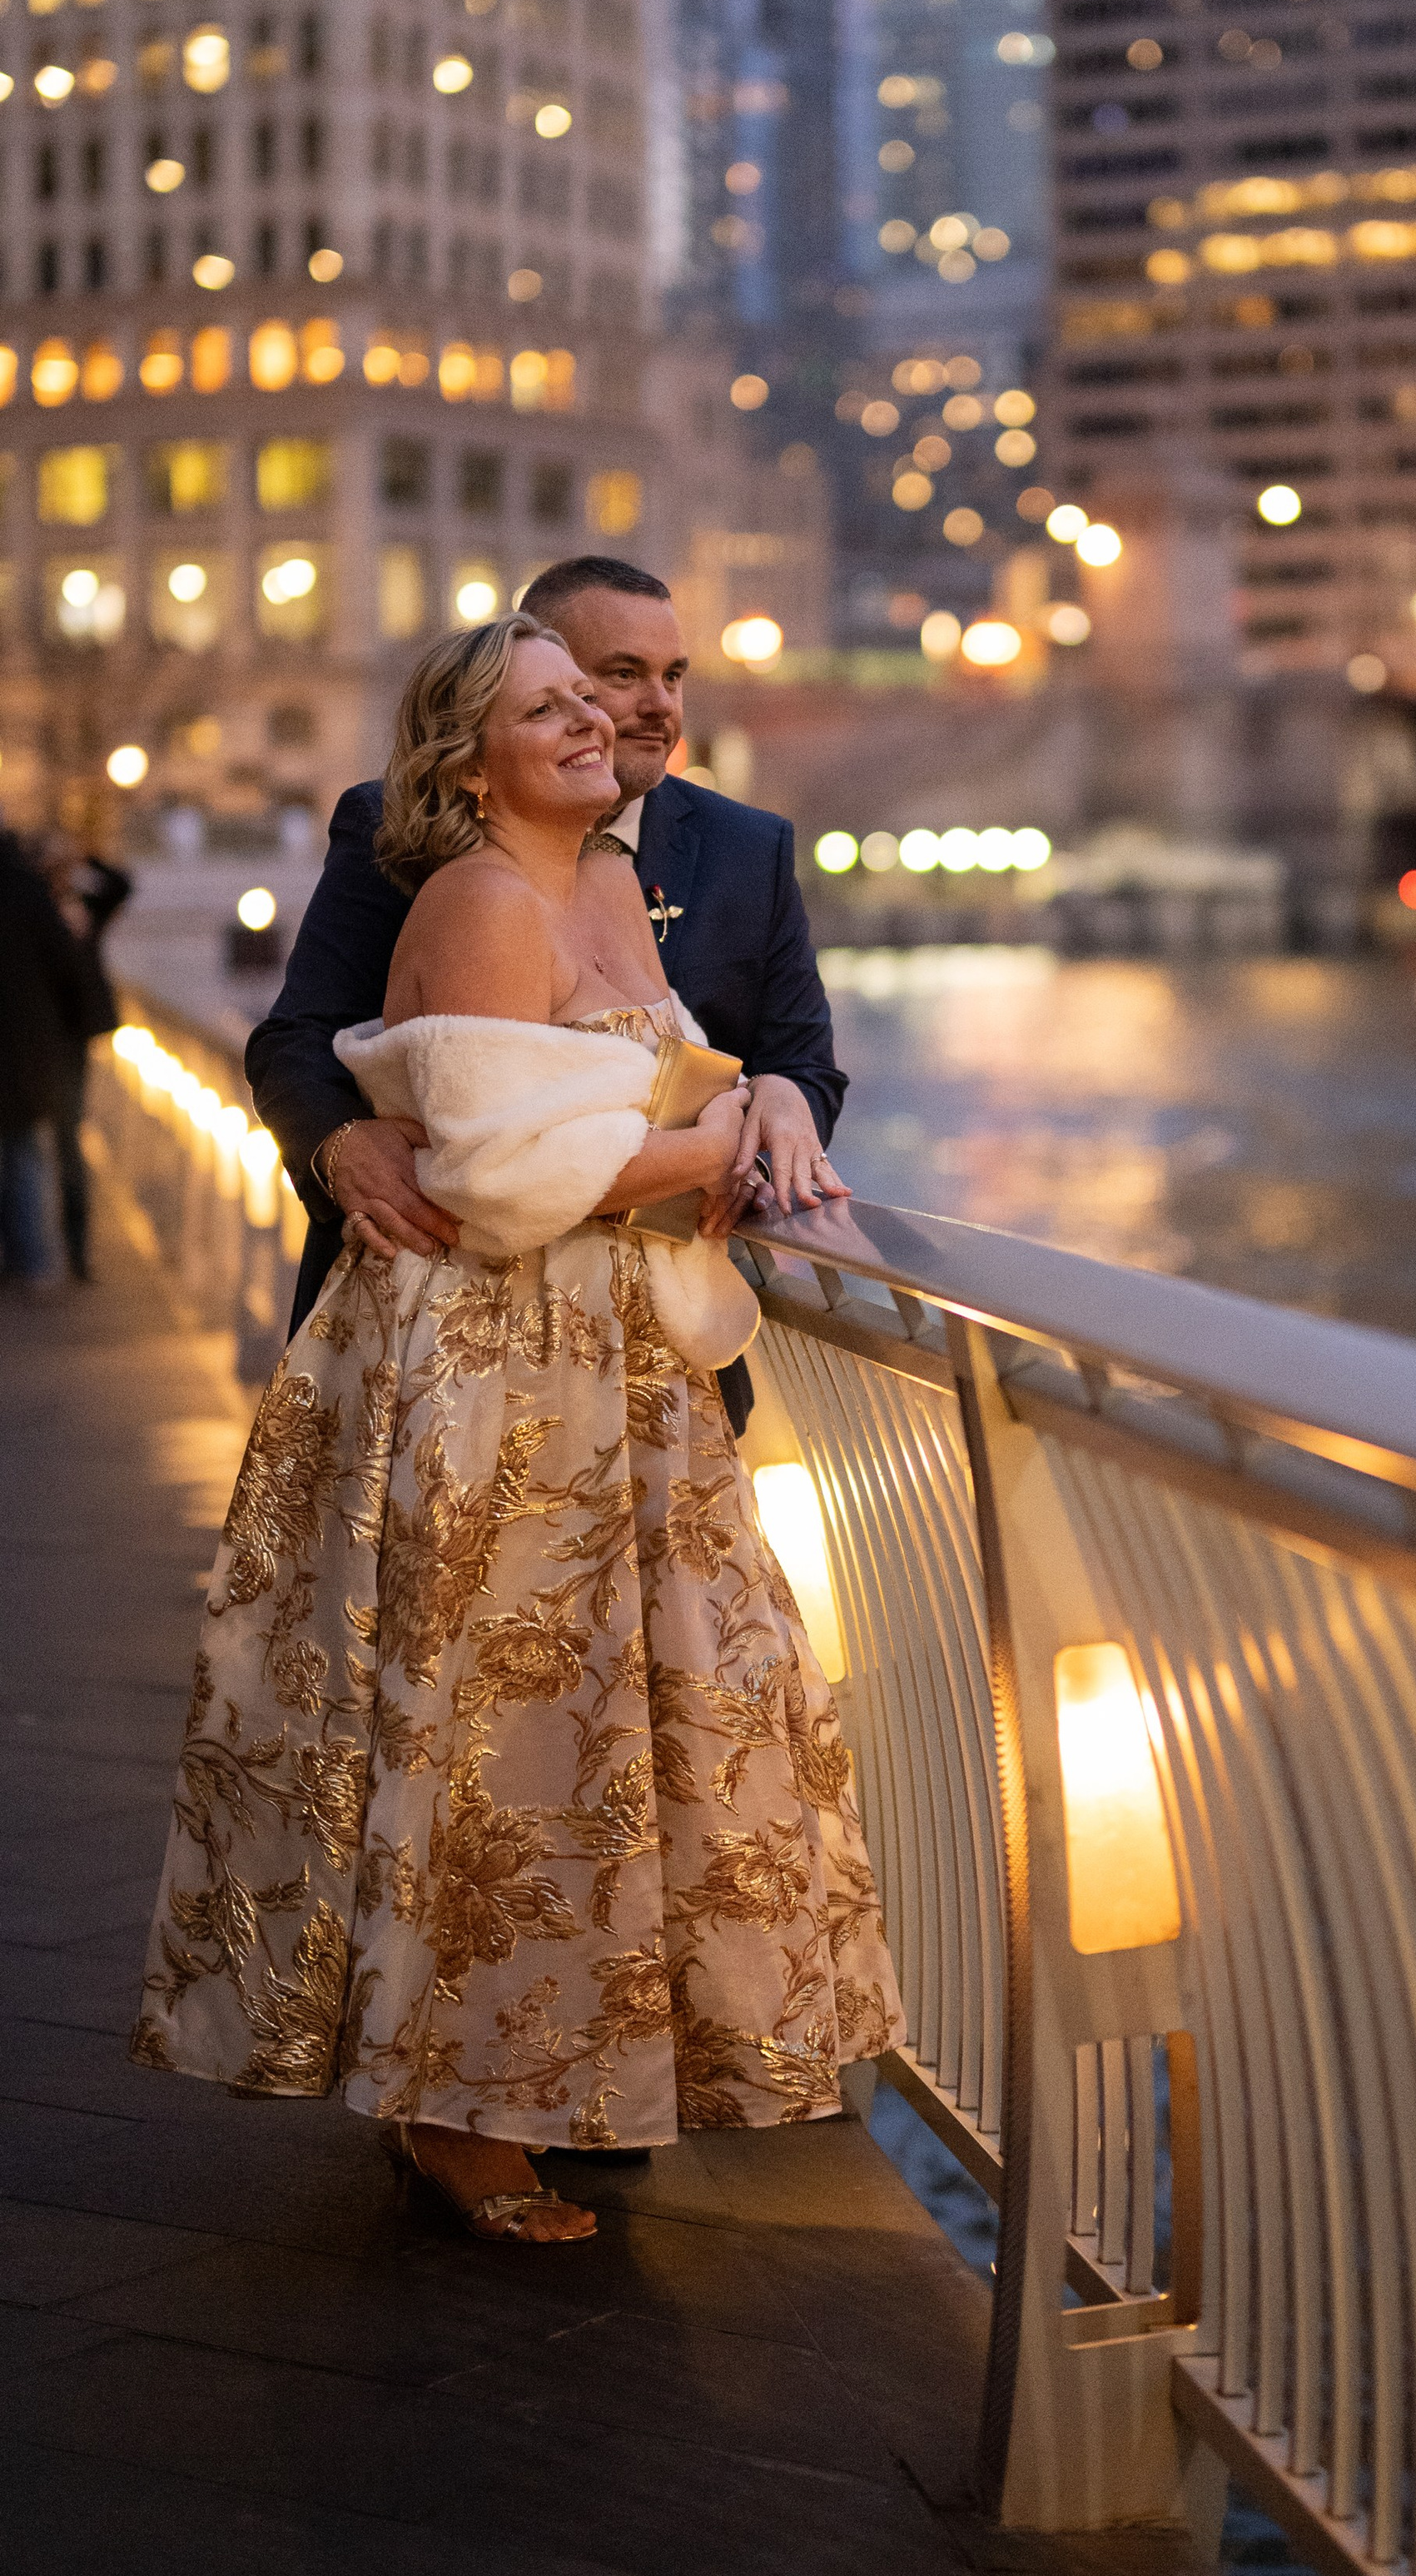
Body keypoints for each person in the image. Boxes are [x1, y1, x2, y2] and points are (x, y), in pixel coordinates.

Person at [132, 614, 904, 2242]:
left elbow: (691, 1079)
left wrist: (745, 1111)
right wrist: (712, 1152)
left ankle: (570, 2063)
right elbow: (495, 1179)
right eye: (549, 706)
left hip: (618, 1365)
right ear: (464, 759)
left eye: (593, 701)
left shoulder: (609, 881)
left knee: (619, 1733)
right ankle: (448, 2108)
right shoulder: (479, 902)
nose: (595, 721)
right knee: (484, 1736)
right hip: (491, 1364)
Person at [246, 553, 846, 1431]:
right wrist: (340, 1148)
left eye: (673, 675)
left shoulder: (744, 848)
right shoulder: (401, 830)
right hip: (477, 1341)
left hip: (667, 1349)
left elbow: (796, 1060)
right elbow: (296, 1038)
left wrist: (778, 1104)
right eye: (619, 676)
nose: (655, 705)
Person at [0, 828, 102, 1298]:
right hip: (33, 1050)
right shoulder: (31, 896)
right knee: (26, 1151)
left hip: (30, 1048)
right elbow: (68, 968)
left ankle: (28, 1258)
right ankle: (34, 1262)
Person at [37, 836, 130, 1284]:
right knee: (41, 1145)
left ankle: (75, 1250)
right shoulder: (32, 911)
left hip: (70, 1040)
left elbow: (121, 885)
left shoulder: (83, 908)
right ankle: (39, 1248)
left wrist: (86, 856)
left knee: (67, 1143)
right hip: (40, 1039)